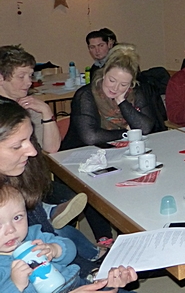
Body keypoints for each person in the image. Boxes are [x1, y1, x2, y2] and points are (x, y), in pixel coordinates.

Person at [0, 97, 117, 280]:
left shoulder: (16, 181)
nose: (33, 151)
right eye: (17, 146)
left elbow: (52, 245)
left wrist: (93, 275)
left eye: (30, 139)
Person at [0, 184, 137, 293]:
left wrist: (55, 249)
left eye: (17, 217)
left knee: (114, 283)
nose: (11, 230)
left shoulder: (34, 236)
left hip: (76, 282)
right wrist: (16, 286)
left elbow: (70, 250)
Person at [61, 44, 157, 150]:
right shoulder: (85, 95)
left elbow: (146, 128)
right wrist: (127, 132)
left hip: (119, 151)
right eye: (112, 80)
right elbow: (91, 137)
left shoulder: (134, 93)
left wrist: (122, 102)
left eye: (123, 84)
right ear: (104, 74)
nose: (115, 88)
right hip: (80, 151)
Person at [0, 46, 60, 153]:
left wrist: (46, 111)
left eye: (30, 76)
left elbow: (52, 148)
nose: (29, 82)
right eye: (21, 76)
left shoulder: (29, 104)